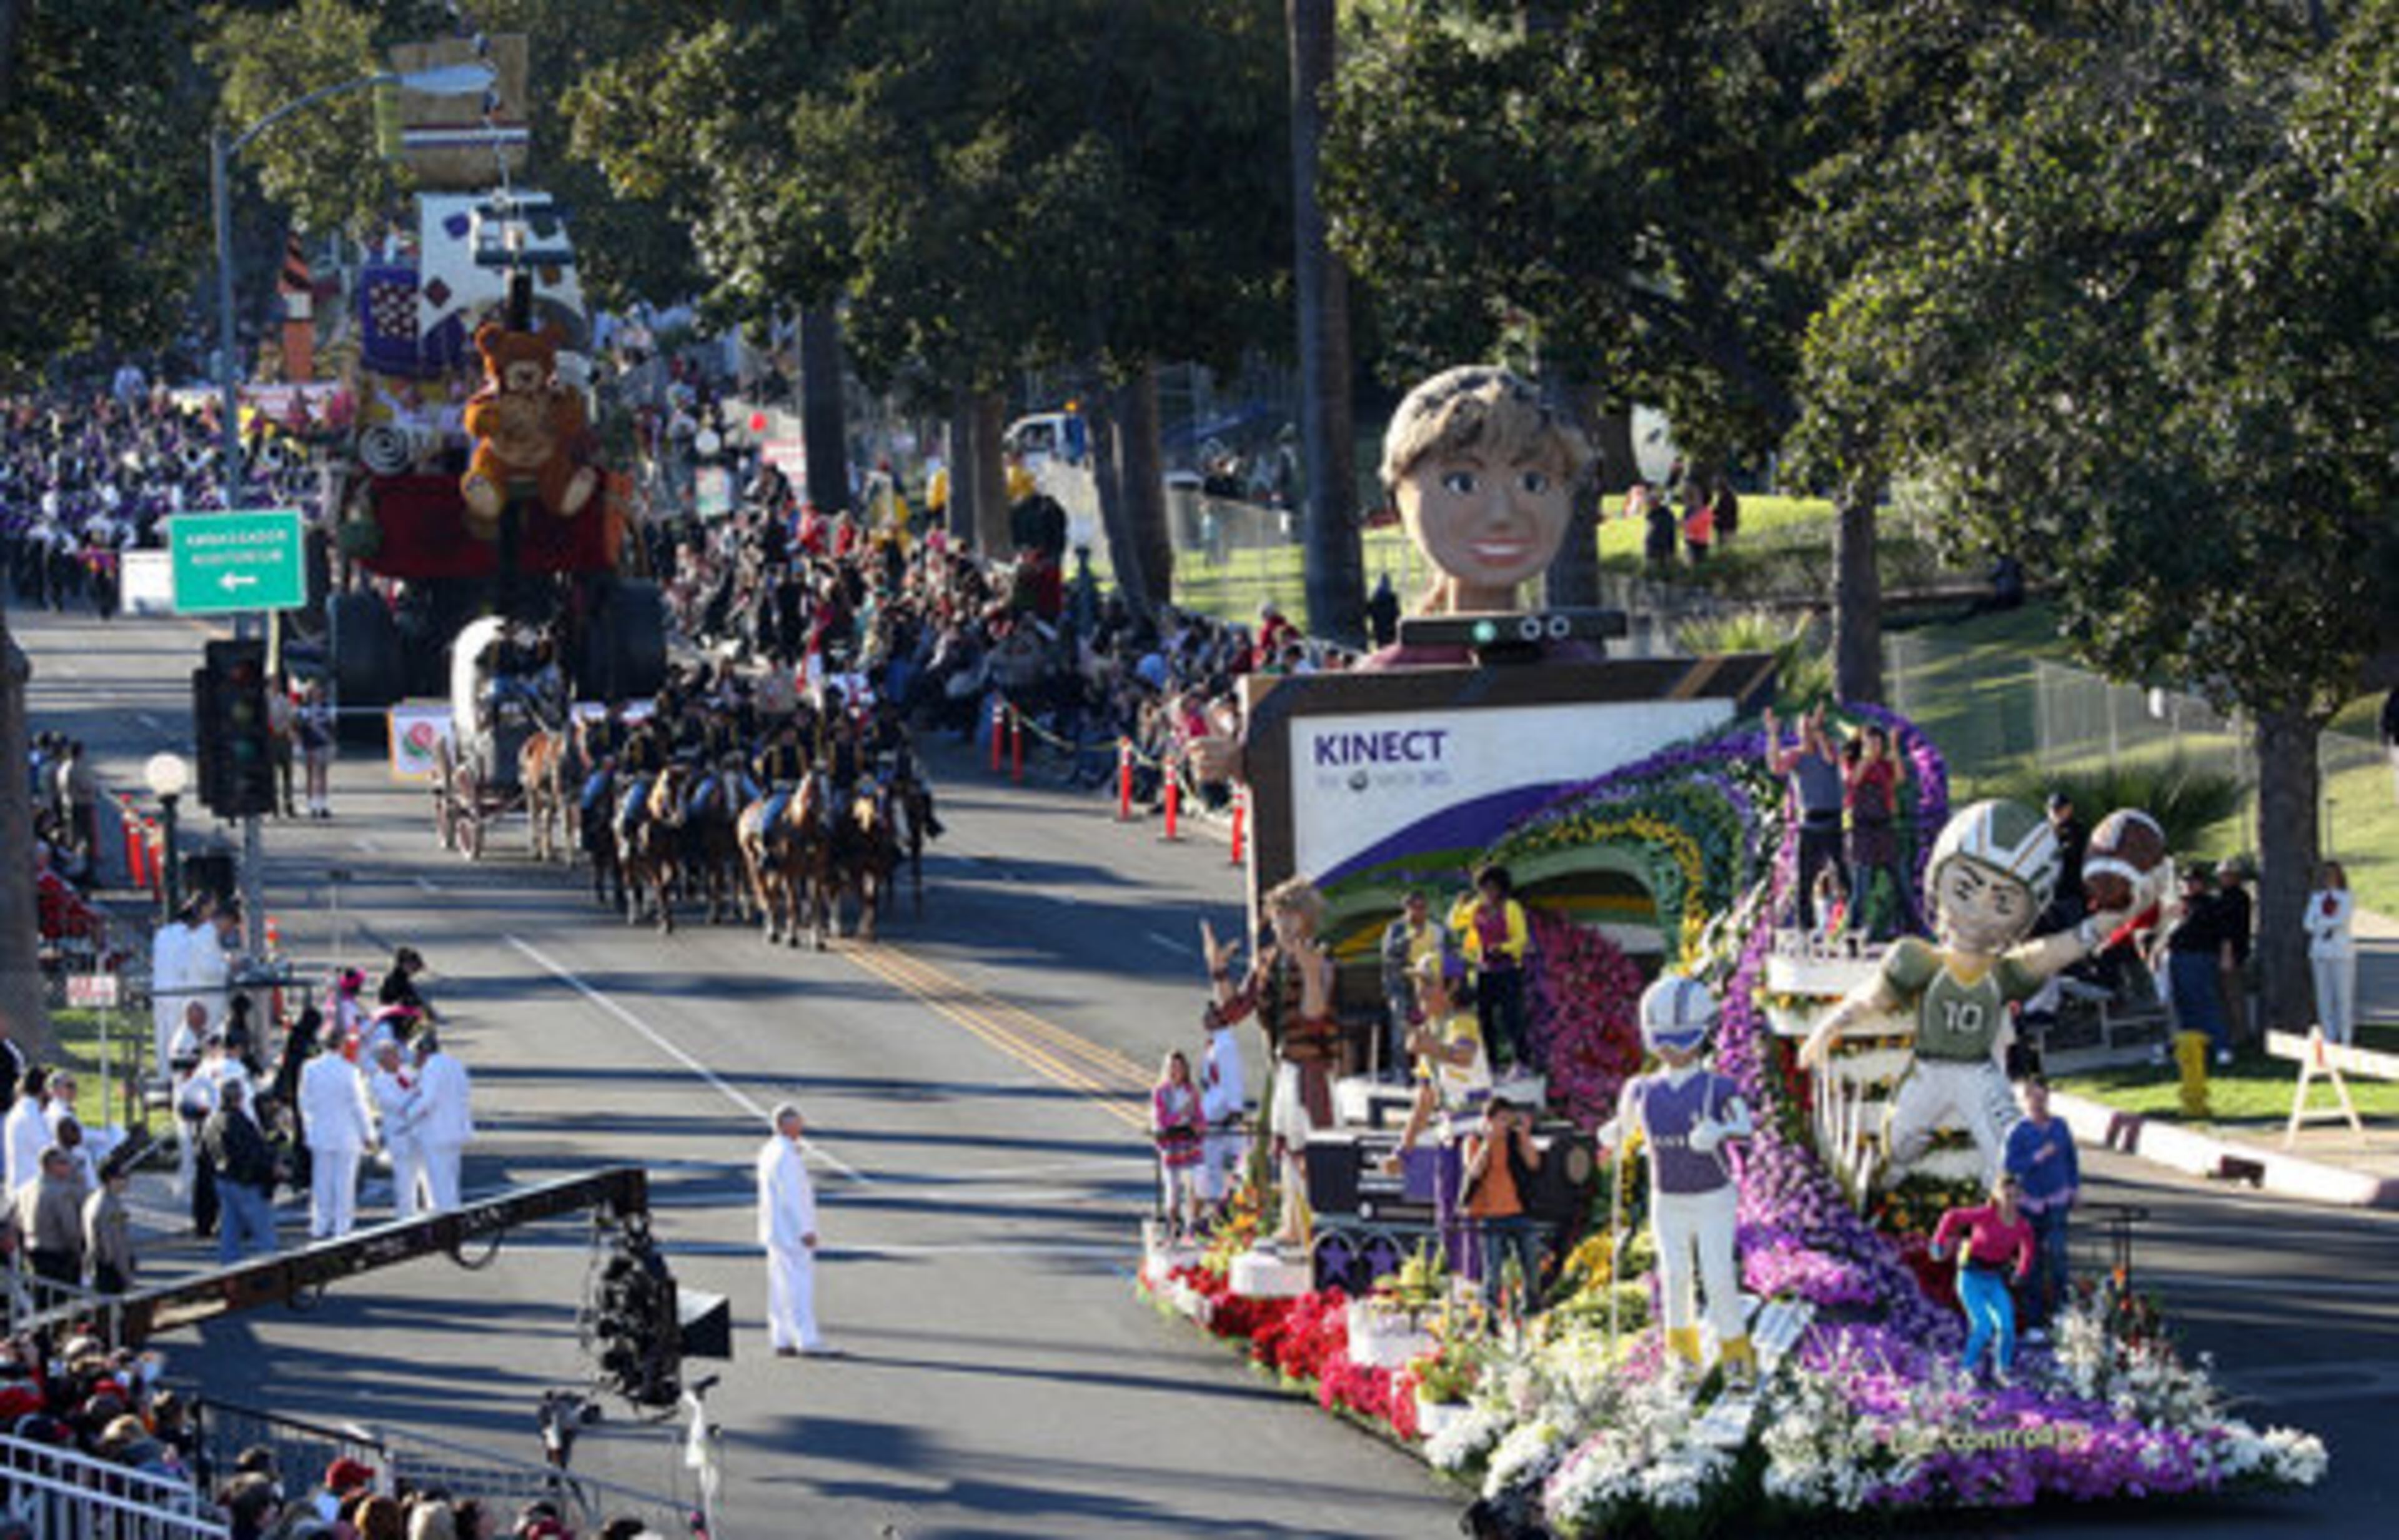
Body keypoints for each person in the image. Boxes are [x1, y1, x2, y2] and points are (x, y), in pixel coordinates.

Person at [1801, 800, 2125, 1188]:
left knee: (2005, 1148)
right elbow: (1871, 997)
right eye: (1968, 888)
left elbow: (2062, 947)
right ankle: (1890, 1183)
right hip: (1928, 1069)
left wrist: (2114, 918)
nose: (1981, 908)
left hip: (1977, 1072)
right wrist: (1827, 1027)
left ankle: (2004, 1216)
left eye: (2003, 901)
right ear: (1939, 881)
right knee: (1899, 1144)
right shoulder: (1917, 959)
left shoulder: (2005, 972)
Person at [1612, 976, 1756, 1385]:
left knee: (1717, 1274)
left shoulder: (1717, 1086)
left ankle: (1736, 1354)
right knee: (1673, 1275)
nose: (1674, 1050)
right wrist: (1614, 1132)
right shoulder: (1640, 1089)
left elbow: (1745, 1125)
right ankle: (1683, 1356)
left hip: (1712, 1196)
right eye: (1664, 1040)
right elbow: (1622, 1125)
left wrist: (1719, 1131)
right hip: (1666, 1196)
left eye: (1684, 1039)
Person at [1208, 880, 1338, 1249]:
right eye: (1278, 917)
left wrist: (1311, 974)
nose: (1281, 925)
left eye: (1288, 917)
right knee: (1285, 1149)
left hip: (1312, 1070)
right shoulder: (1267, 962)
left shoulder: (1320, 960)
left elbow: (1316, 1017)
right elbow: (1234, 1010)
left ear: (1305, 920)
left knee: (1309, 1151)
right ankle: (1291, 1224)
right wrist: (1219, 972)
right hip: (1284, 1069)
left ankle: (1314, 1225)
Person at [1930, 1173, 2037, 1386]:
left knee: (2008, 1326)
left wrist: (2021, 1271)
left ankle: (2003, 1370)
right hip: (1970, 1278)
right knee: (1983, 1327)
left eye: (2015, 1197)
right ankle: (1966, 1370)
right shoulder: (1985, 1215)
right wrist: (1938, 1242)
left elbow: (2028, 1249)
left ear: (2020, 1198)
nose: (2010, 1202)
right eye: (2007, 1196)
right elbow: (1951, 1216)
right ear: (1997, 1196)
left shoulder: (2022, 1226)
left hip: (1994, 1279)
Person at [2002, 1076, 2077, 1340]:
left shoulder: (2060, 1127)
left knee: (2058, 1257)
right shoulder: (2018, 1132)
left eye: (2041, 1096)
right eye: (2031, 1098)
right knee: (2032, 1262)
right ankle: (2034, 1322)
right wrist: (2036, 1157)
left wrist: (2074, 1187)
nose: (2037, 1102)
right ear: (2024, 1102)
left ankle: (2060, 1316)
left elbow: (2071, 1159)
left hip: (2057, 1199)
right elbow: (2010, 1166)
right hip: (2030, 1202)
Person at [755, 1102, 829, 1356]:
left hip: (776, 1231)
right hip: (790, 1233)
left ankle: (782, 1337)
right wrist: (806, 1229)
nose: (802, 1126)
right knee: (799, 1285)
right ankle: (807, 1339)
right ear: (787, 1125)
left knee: (779, 1286)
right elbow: (793, 1197)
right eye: (798, 1122)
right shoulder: (786, 1155)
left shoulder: (770, 1150)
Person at [1765, 706, 1848, 931]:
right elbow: (1776, 766)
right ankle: (1806, 928)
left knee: (1843, 876)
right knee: (1805, 879)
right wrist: (1773, 734)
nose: (1806, 735)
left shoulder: (1828, 747)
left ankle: (1850, 924)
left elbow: (1832, 761)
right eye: (1803, 731)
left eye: (1808, 729)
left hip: (1832, 820)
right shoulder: (1797, 756)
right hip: (1809, 824)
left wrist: (1819, 732)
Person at [1461, 1095, 1543, 1309]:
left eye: (1509, 1119)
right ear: (1489, 1120)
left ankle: (1531, 1310)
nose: (1506, 1125)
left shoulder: (1515, 1139)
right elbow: (1474, 1172)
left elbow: (1534, 1164)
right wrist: (1488, 1143)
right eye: (1502, 1119)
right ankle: (1490, 1318)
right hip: (1491, 1215)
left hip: (1519, 1212)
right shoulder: (1474, 1141)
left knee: (1532, 1268)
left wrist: (1524, 1136)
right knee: (1493, 1273)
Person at [1450, 864, 1531, 1071]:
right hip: (1484, 970)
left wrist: (1503, 948)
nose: (1488, 892)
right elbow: (1455, 923)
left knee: (1511, 1017)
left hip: (1508, 969)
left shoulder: (1511, 907)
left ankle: (1521, 1062)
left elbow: (1521, 938)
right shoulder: (1477, 907)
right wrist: (1459, 905)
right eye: (1484, 887)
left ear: (1502, 887)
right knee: (1484, 1018)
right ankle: (1492, 1062)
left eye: (1493, 887)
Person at [299, 1021, 372, 1239]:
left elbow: (305, 1102)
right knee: (345, 1182)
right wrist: (368, 1134)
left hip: (321, 1132)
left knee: (321, 1181)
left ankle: (320, 1223)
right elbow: (359, 1105)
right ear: (341, 1045)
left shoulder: (309, 1068)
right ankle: (343, 1225)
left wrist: (308, 1128)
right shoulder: (349, 1071)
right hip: (346, 1134)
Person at [2159, 865, 2233, 1067]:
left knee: (2206, 1002)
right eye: (2185, 882)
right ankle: (2190, 1048)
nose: (2189, 886)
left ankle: (2221, 1047)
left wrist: (2226, 956)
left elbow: (2225, 934)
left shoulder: (2210, 904)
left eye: (2193, 881)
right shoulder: (2177, 906)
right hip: (2177, 957)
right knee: (2184, 1005)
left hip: (2201, 956)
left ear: (2202, 883)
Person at [1841, 725, 1908, 940]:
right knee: (1862, 884)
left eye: (1878, 743)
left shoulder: (1885, 766)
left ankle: (1913, 927)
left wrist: (1895, 749)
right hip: (1861, 828)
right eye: (1870, 743)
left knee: (1900, 879)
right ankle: (1852, 931)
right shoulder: (1852, 763)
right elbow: (1854, 781)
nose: (1875, 747)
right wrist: (1867, 758)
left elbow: (1900, 778)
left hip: (1884, 826)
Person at [1193, 970, 1247, 1223]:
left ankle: (1228, 1209)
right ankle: (1215, 1209)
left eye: (1210, 1013)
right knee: (1210, 1165)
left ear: (1220, 1018)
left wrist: (1233, 1113)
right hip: (1212, 1111)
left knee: (1233, 1164)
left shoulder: (1225, 1045)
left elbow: (1231, 1080)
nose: (1204, 1017)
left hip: (1222, 1116)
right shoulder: (1215, 1043)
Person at [1378, 889, 1448, 1081]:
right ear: (1406, 909)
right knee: (1401, 1027)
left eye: (1422, 907)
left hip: (1427, 985)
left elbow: (1444, 954)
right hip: (1401, 985)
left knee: (1430, 1026)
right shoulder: (1396, 929)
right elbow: (1388, 956)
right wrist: (1408, 939)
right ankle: (1400, 1071)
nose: (1418, 912)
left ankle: (1431, 1070)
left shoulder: (1436, 929)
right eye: (1414, 907)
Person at [412, 1030, 475, 1211]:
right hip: (456, 1130)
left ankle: (441, 1219)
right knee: (451, 1180)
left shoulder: (431, 1067)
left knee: (437, 1183)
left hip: (436, 1133)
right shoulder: (455, 1064)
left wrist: (409, 1115)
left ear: (423, 1052)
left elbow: (428, 1100)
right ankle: (452, 1215)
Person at [365, 1038, 424, 1223]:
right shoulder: (377, 1081)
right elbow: (397, 1105)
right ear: (382, 1060)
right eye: (392, 1055)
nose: (398, 1058)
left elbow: (423, 1088)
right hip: (399, 1132)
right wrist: (416, 1097)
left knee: (421, 1174)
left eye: (397, 1054)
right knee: (404, 1176)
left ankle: (419, 1211)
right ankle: (405, 1214)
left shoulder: (407, 1073)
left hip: (418, 1130)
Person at [14, 1144, 86, 1288]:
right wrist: (78, 1252)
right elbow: (69, 1229)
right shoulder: (60, 1192)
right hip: (56, 1255)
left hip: (32, 1252)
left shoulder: (24, 1190)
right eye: (64, 1163)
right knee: (61, 1302)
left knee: (40, 1298)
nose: (69, 1167)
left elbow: (17, 1222)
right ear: (51, 1166)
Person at [1150, 1050, 1203, 1241]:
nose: (1175, 1071)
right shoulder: (1160, 1092)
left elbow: (1199, 1116)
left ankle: (1192, 1225)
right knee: (1172, 1192)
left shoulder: (1191, 1091)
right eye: (1171, 1067)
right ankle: (1172, 1228)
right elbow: (1161, 1121)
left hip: (1189, 1143)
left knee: (1197, 1185)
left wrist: (1199, 1126)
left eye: (1179, 1067)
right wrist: (1180, 1113)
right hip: (1171, 1145)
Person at [2305, 860, 2357, 1046]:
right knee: (2324, 997)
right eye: (2326, 875)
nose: (2329, 878)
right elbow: (2308, 924)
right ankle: (2329, 1036)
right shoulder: (2316, 898)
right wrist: (2322, 925)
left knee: (2343, 997)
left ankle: (2346, 1038)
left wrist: (2322, 923)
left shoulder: (2347, 897)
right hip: (2320, 952)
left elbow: (2341, 920)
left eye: (2333, 874)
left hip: (2342, 952)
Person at [2216, 858, 2255, 1048]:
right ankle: (2230, 1032)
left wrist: (2227, 953)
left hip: (2233, 952)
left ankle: (2240, 1035)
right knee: (2225, 996)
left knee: (2234, 995)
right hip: (2225, 951)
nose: (2223, 879)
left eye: (2226, 875)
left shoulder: (2237, 898)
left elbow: (2230, 928)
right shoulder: (2224, 896)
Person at [84, 1155, 136, 1294]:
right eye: (123, 1177)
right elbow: (116, 1244)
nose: (127, 1182)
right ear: (111, 1179)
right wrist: (126, 1275)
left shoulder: (93, 1199)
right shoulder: (111, 1207)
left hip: (97, 1263)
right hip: (110, 1268)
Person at [4, 1065, 51, 1199]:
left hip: (19, 1185)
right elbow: (46, 1150)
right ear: (42, 1089)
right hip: (29, 1189)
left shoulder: (18, 1110)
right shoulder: (31, 1114)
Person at [295, 681, 334, 818]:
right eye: (313, 691)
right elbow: (299, 727)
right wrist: (299, 743)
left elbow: (332, 726)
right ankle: (312, 805)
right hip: (309, 745)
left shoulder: (326, 707)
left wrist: (332, 742)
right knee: (310, 774)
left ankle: (322, 805)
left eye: (318, 690)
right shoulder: (304, 708)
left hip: (323, 744)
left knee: (322, 775)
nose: (317, 693)